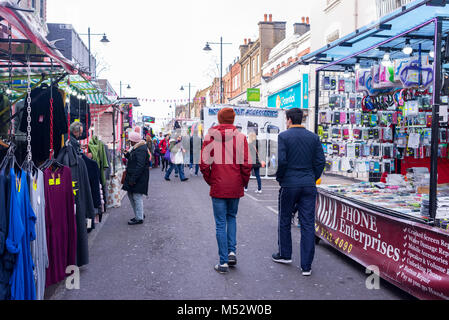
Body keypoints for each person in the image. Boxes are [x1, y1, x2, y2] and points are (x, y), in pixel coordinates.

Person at [273, 108, 325, 277]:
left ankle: (285, 254)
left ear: (289, 119)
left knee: (285, 219)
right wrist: (312, 177)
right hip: (308, 184)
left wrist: (281, 178)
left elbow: (282, 161)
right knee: (308, 223)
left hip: (289, 184)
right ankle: (306, 266)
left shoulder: (284, 136)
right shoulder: (314, 137)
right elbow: (320, 162)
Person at [200, 108, 252, 274]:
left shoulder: (210, 137)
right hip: (235, 185)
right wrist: (242, 182)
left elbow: (203, 164)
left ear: (219, 118)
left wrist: (211, 181)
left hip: (218, 186)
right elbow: (246, 164)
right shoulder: (241, 138)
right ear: (233, 119)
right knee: (232, 218)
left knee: (220, 223)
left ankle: (222, 262)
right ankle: (231, 252)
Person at [122, 131, 150, 226]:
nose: (130, 142)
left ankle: (139, 217)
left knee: (136, 196)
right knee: (131, 195)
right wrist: (127, 155)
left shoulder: (140, 149)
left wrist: (133, 179)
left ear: (134, 141)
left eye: (130, 141)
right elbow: (135, 160)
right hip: (135, 176)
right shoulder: (137, 148)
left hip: (138, 177)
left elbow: (140, 165)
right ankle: (139, 213)